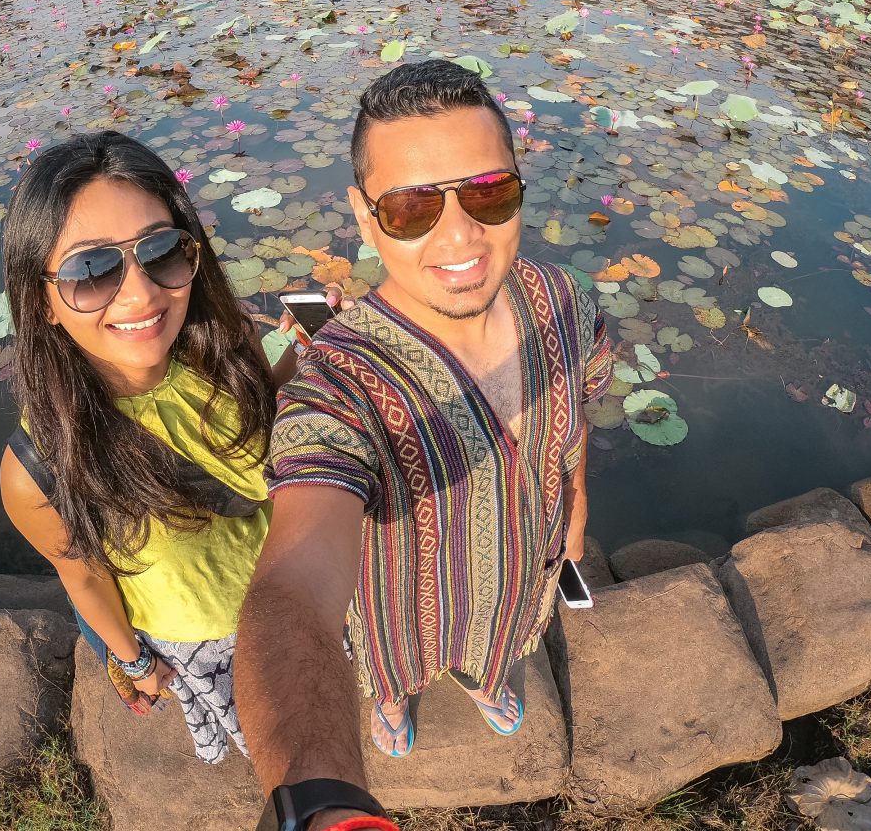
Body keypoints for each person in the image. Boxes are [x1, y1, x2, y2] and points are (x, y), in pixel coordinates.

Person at [237, 61, 613, 825]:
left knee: (500, 642)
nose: (460, 233)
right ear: (364, 213)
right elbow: (292, 594)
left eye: (488, 192)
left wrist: (576, 496)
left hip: (520, 565)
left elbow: (582, 408)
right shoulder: (338, 380)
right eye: (412, 207)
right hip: (397, 601)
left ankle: (483, 681)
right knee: (391, 668)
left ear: (516, 183)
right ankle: (393, 705)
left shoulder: (566, 302)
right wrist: (320, 800)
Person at [0, 130, 316, 765]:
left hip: (296, 583)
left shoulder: (229, 346)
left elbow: (260, 426)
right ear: (43, 303)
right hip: (204, 632)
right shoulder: (37, 471)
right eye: (92, 269)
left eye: (163, 251)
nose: (141, 294)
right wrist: (135, 662)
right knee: (273, 741)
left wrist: (299, 360)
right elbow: (83, 578)